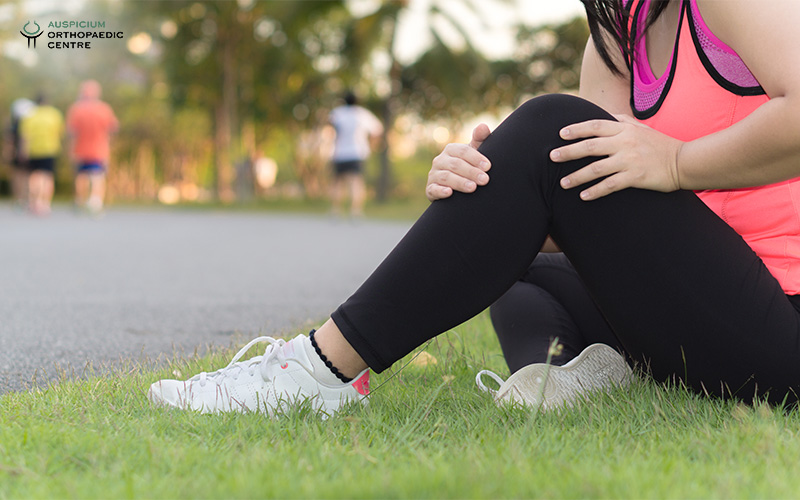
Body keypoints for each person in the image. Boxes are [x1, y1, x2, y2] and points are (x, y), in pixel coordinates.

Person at [148, 0, 800, 415]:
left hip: (781, 325)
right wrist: (492, 196)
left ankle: (318, 370)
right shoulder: (617, 29)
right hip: (709, 306)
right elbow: (600, 197)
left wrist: (676, 163)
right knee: (505, 266)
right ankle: (576, 374)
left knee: (549, 126)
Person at [328, 91, 383, 218]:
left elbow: (329, 127)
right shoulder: (362, 114)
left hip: (340, 152)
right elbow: (377, 129)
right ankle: (355, 211)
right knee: (356, 182)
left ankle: (335, 210)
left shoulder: (337, 113)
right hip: (357, 152)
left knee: (338, 182)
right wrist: (372, 145)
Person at [66, 80, 118, 214]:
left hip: (80, 149)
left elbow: (72, 132)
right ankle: (95, 203)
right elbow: (113, 128)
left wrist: (71, 150)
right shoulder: (104, 109)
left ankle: (80, 201)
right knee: (97, 176)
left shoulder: (76, 109)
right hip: (99, 150)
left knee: (81, 176)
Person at [18, 94, 64, 216]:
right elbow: (60, 132)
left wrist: (23, 151)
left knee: (34, 176)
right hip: (50, 149)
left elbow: (24, 136)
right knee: (47, 177)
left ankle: (34, 202)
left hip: (34, 150)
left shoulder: (30, 115)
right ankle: (45, 203)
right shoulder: (55, 114)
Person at [5, 98, 35, 210]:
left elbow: (9, 140)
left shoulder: (14, 124)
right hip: (26, 153)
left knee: (19, 177)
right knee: (25, 177)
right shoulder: (28, 123)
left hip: (19, 153)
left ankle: (19, 199)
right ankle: (24, 199)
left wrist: (8, 153)